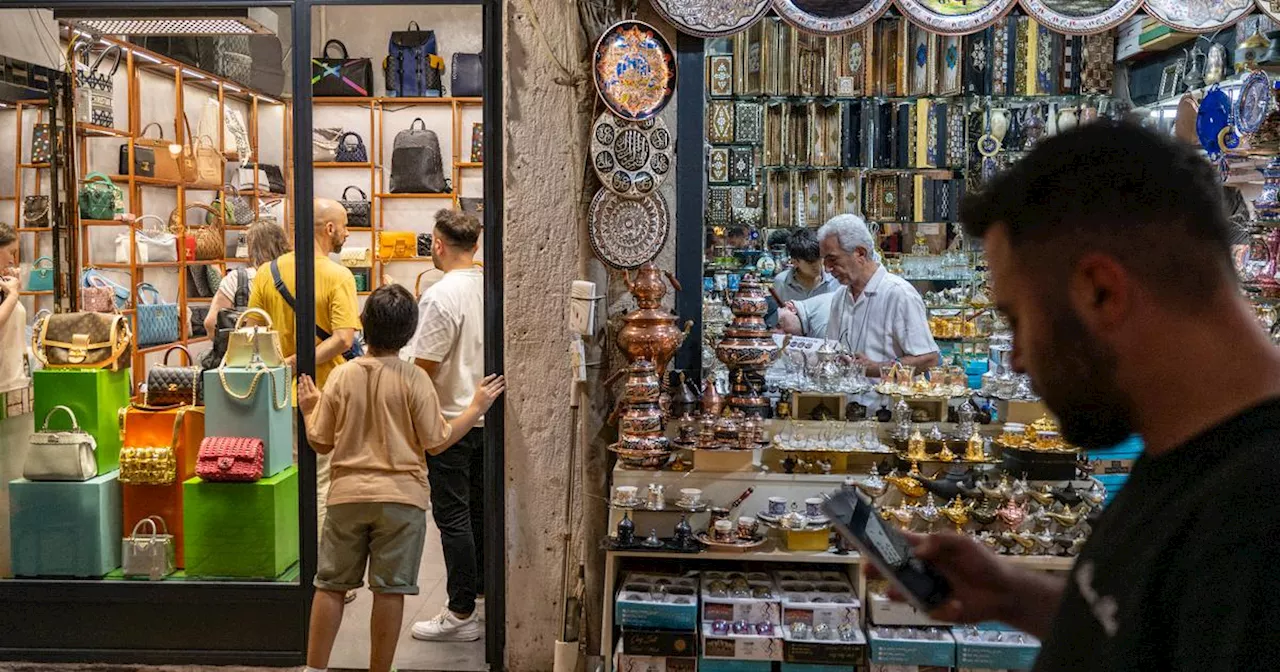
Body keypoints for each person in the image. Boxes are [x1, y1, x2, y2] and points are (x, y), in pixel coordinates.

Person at [883, 123, 1280, 670]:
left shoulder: (1256, 520)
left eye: (1017, 319)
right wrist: (1013, 596)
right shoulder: (1193, 452)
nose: (1017, 358)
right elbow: (1148, 634)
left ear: (1101, 291)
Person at [298, 284, 504, 672]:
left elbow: (320, 441)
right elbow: (438, 441)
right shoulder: (414, 380)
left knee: (330, 585)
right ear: (410, 333)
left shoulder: (342, 378)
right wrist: (477, 406)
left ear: (363, 326)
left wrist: (310, 408)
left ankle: (314, 668)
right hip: (402, 500)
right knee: (390, 590)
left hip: (346, 497)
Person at [248, 198, 361, 540]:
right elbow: (343, 339)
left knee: (289, 476)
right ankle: (321, 567)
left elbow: (252, 328)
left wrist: (283, 365)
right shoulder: (338, 275)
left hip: (279, 396)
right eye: (343, 225)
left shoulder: (268, 272)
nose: (346, 232)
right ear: (329, 229)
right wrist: (299, 362)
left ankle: (293, 560)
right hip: (325, 394)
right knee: (324, 481)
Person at [408, 210, 488, 642]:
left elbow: (424, 366)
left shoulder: (441, 296)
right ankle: (476, 593)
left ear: (438, 244)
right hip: (483, 415)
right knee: (477, 512)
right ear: (475, 245)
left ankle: (460, 614)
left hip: (449, 421)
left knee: (454, 516)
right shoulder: (489, 287)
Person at [816, 214, 939, 376]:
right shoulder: (840, 296)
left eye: (833, 259)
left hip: (885, 400)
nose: (827, 269)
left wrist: (878, 368)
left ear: (860, 253)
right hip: (844, 400)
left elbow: (929, 359)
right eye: (825, 261)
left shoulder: (899, 294)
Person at [204, 220, 290, 337]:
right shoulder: (296, 276)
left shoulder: (238, 278)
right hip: (289, 351)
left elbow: (211, 323)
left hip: (246, 352)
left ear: (251, 249)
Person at [773, 228, 840, 304]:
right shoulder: (781, 282)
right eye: (810, 262)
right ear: (795, 262)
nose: (817, 265)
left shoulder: (834, 281)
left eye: (819, 259)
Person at [0, 223, 27, 396]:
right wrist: (13, 295)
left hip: (14, 379)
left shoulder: (5, 283)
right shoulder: (9, 290)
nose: (12, 260)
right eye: (11, 252)